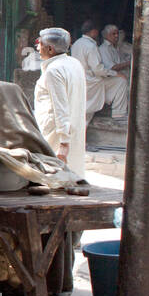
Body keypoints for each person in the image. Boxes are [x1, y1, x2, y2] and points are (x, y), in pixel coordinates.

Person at [32, 27, 88, 178]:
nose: (37, 47)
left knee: (54, 176)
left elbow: (60, 107)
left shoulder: (54, 70)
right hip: (72, 127)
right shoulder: (74, 63)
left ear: (50, 49)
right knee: (70, 176)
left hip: (56, 132)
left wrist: (64, 143)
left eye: (40, 44)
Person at [71, 20, 128, 121]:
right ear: (93, 32)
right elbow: (98, 70)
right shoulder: (91, 46)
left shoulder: (76, 44)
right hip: (92, 82)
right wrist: (116, 74)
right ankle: (119, 113)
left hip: (80, 81)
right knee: (121, 81)